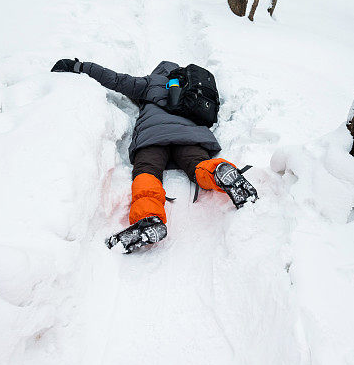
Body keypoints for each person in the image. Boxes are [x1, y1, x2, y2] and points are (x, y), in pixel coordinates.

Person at [51, 58, 258, 253]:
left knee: (147, 171)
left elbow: (113, 78)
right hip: (191, 136)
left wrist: (78, 66)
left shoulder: (150, 84)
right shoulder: (193, 89)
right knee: (198, 165)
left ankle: (149, 218)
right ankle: (219, 172)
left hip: (153, 136)